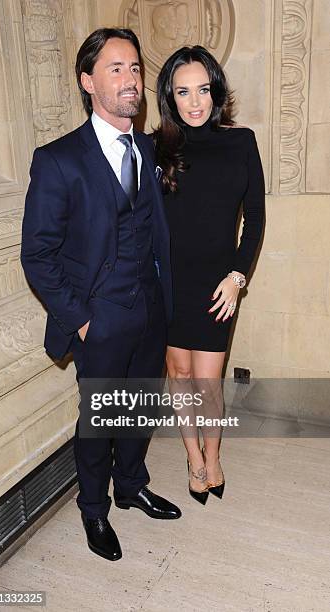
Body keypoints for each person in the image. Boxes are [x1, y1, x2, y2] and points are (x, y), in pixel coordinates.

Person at [21, 28, 181, 563]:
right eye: (116, 69)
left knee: (140, 410)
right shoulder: (58, 159)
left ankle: (131, 486)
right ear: (88, 82)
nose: (131, 79)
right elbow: (37, 254)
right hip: (100, 317)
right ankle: (93, 508)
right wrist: (83, 321)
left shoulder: (148, 148)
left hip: (151, 309)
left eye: (135, 68)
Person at [153, 46, 265, 505]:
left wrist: (237, 277)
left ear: (216, 91)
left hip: (218, 285)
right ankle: (192, 457)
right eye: (183, 91)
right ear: (170, 97)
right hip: (169, 284)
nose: (194, 101)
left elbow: (255, 219)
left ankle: (213, 455)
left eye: (203, 89)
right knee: (178, 373)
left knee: (207, 381)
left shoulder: (241, 142)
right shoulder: (155, 147)